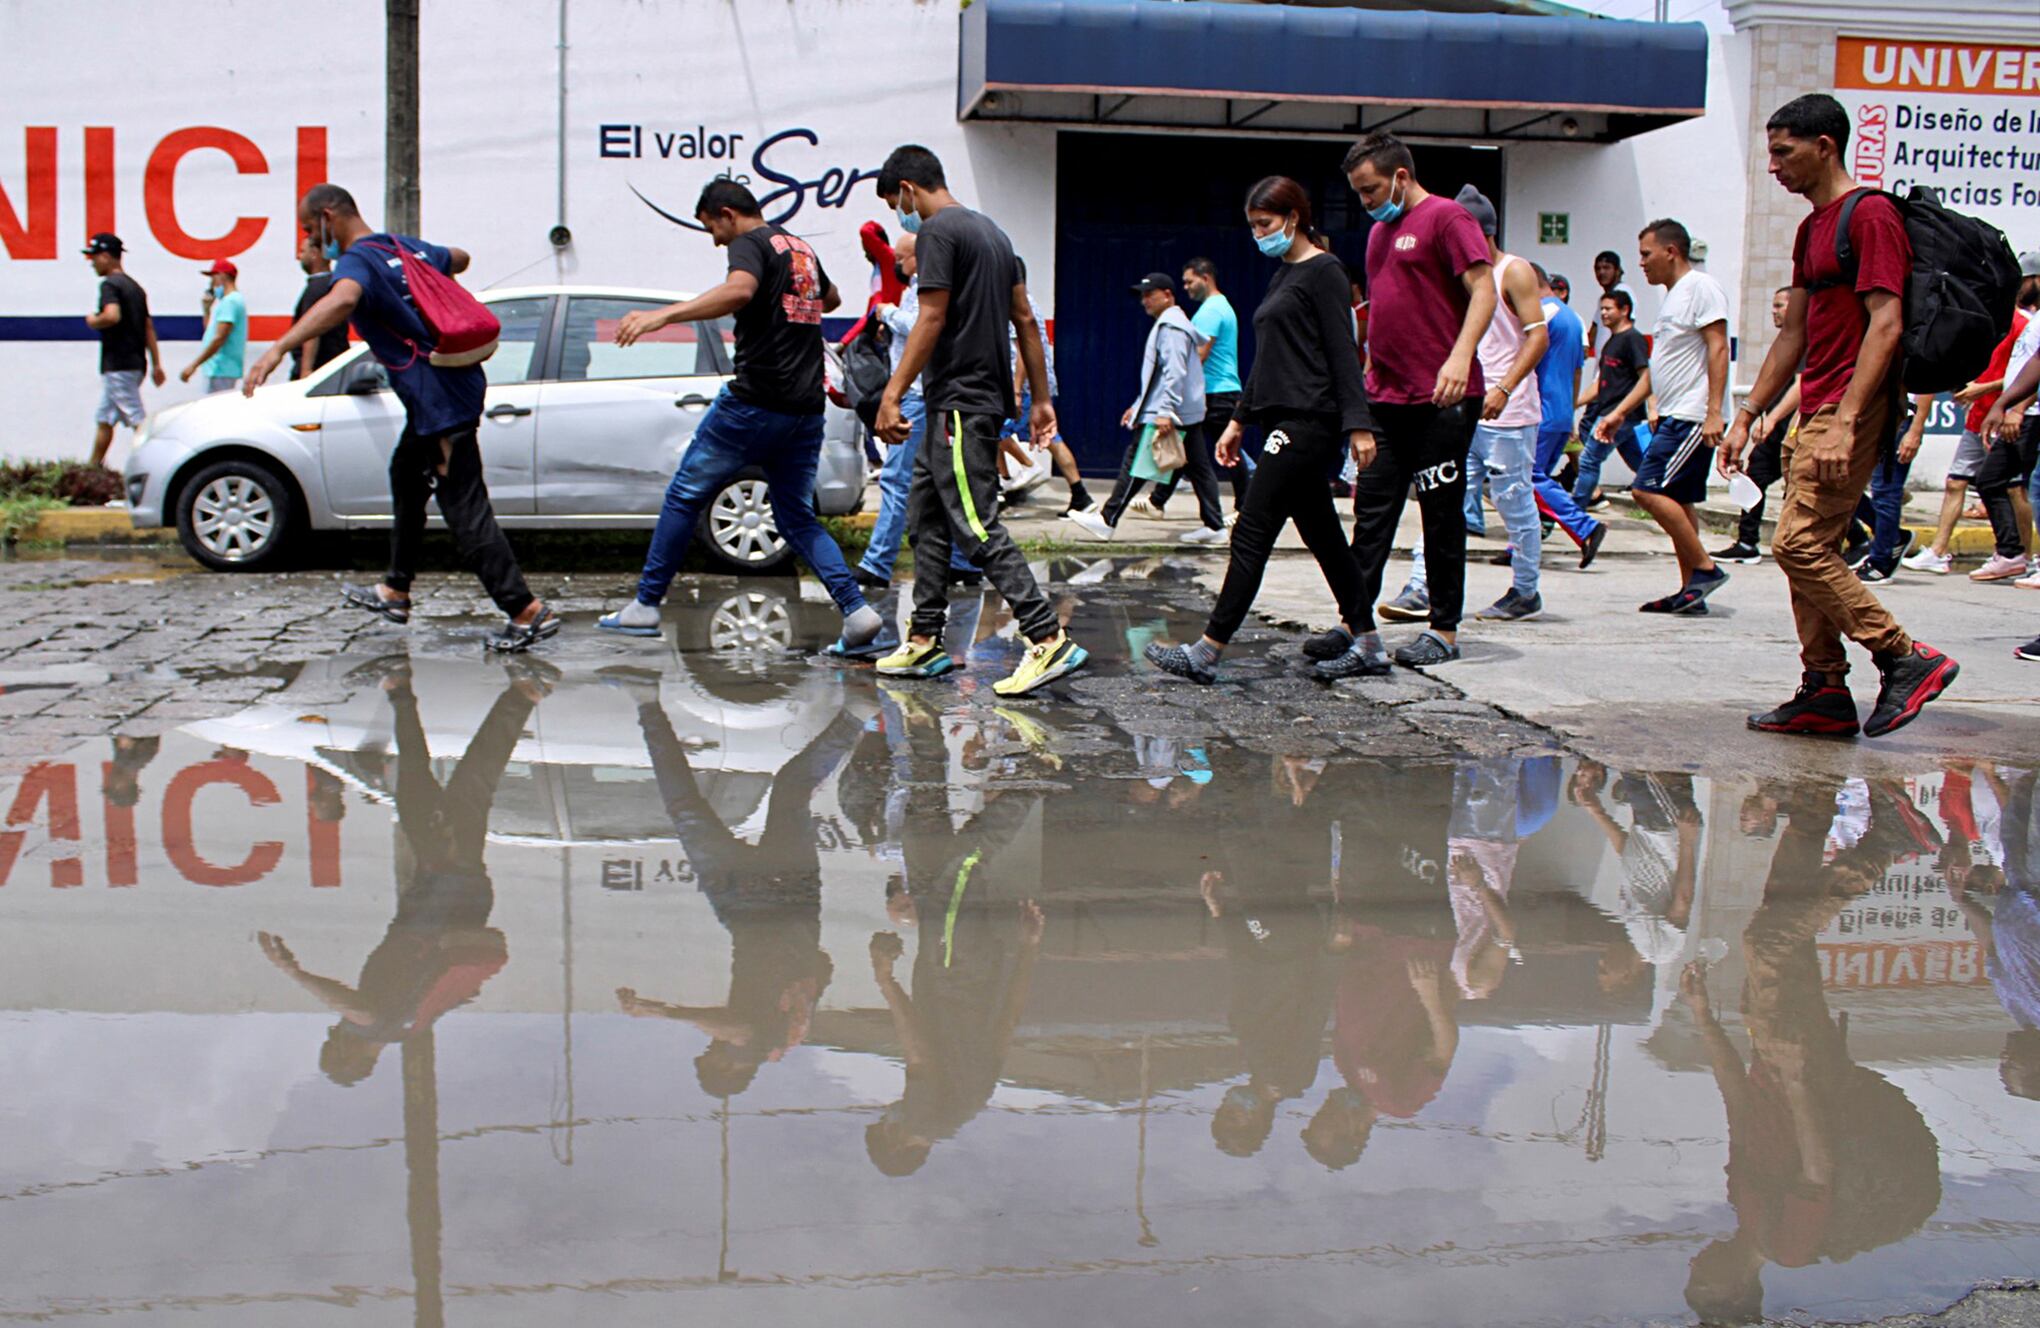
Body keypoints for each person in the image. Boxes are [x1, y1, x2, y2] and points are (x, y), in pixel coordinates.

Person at [1724, 94, 1961, 737]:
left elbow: (1886, 324)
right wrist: (1749, 414)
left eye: (1783, 151)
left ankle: (1906, 657)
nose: (1774, 166)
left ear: (1824, 145)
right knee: (1813, 548)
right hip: (1814, 405)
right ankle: (1825, 689)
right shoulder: (1810, 229)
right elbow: (1791, 335)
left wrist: (1850, 417)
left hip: (1848, 406)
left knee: (1797, 544)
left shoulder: (1871, 215)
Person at [247, 184, 559, 652]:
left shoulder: (357, 262)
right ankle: (396, 590)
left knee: (464, 507)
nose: (315, 240)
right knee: (405, 475)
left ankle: (524, 610)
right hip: (449, 391)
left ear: (330, 217)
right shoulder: (401, 247)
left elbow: (342, 300)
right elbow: (460, 256)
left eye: (313, 230)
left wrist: (277, 348)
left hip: (439, 403)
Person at [592, 180, 881, 650]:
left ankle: (645, 605)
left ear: (727, 213)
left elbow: (740, 291)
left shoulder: (749, 244)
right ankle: (857, 612)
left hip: (754, 402)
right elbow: (829, 299)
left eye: (712, 228)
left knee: (684, 495)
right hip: (805, 409)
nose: (716, 240)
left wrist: (661, 316)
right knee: (795, 518)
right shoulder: (799, 248)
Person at [256, 657, 549, 1085]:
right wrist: (295, 973)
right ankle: (422, 688)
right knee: (450, 785)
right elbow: (361, 1010)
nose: (336, 1029)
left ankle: (502, 694)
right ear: (347, 1050)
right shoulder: (380, 1026)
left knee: (445, 788)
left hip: (457, 898)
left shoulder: (412, 1026)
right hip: (443, 893)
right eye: (335, 1039)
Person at [1144, 176, 1385, 685]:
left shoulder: (1325, 272)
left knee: (1251, 529)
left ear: (1294, 218)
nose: (1258, 235)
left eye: (1265, 224)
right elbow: (1266, 362)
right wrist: (1237, 421)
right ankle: (1366, 641)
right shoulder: (1282, 276)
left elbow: (1345, 352)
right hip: (1280, 418)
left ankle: (1208, 650)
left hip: (1309, 421)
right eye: (1253, 226)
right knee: (1324, 536)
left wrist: (1358, 424)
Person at [868, 144, 1089, 696]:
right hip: (964, 402)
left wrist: (891, 393)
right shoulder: (995, 235)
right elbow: (1027, 322)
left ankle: (1046, 637)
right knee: (928, 517)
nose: (902, 214)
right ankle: (923, 641)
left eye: (897, 203)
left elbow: (932, 315)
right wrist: (1041, 399)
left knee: (975, 520)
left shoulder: (939, 233)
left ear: (907, 192)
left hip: (962, 403)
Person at [1341, 132, 1497, 668]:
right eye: (1359, 192)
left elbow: (1484, 290)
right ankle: (1353, 625)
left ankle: (1444, 631)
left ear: (1401, 176)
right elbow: (1383, 310)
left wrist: (1459, 357)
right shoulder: (1380, 233)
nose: (1366, 201)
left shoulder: (1449, 218)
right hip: (1385, 397)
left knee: (1440, 514)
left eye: (1371, 189)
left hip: (1442, 399)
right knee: (1372, 512)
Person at [1595, 218, 1731, 616]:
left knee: (1646, 489)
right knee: (1679, 501)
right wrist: (1620, 412)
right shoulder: (1672, 298)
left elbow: (1718, 348)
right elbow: (1658, 370)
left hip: (1691, 416)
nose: (1641, 263)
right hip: (1672, 413)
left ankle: (1705, 569)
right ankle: (1692, 590)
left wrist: (1713, 413)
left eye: (1646, 254)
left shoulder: (1701, 288)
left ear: (1671, 251)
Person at [851, 230, 975, 624]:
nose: (899, 267)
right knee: (941, 482)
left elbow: (925, 325)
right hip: (931, 394)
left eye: (903, 260)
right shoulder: (932, 285)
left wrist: (887, 313)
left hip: (919, 396)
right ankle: (962, 562)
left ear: (917, 257)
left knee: (896, 479)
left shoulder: (927, 288)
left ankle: (876, 563)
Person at [1066, 273, 1227, 546]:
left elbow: (1174, 373)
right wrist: (1138, 406)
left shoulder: (1172, 327)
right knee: (1199, 468)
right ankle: (1215, 526)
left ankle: (1107, 519)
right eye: (1142, 295)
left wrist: (1163, 410)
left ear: (1167, 294)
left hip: (1169, 412)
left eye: (1149, 294)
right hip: (1182, 411)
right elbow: (1158, 375)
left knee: (1137, 465)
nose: (1144, 301)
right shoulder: (1173, 323)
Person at [1449, 186, 1549, 623]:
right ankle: (1420, 585)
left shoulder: (1514, 271)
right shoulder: (1464, 276)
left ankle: (1526, 590)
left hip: (1509, 413)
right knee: (1446, 496)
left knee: (1514, 502)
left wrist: (1504, 387)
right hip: (1465, 406)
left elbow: (1537, 336)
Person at [1904, 256, 2038, 575]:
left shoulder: (2021, 322)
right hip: (1989, 414)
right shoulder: (2002, 318)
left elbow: (2027, 373)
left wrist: (2008, 404)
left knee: (2013, 486)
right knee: (1964, 482)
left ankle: (2023, 555)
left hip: (2015, 414)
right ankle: (1942, 550)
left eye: (2023, 279)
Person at [1151, 256, 1251, 517]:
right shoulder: (1221, 306)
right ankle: (1157, 500)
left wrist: (1170, 384)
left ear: (1205, 278)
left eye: (1189, 281)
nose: (1185, 287)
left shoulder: (1210, 311)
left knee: (1220, 452)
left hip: (1214, 392)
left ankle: (1244, 506)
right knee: (1189, 448)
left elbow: (1198, 354)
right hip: (1217, 390)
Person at [1712, 289, 1800, 564]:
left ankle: (1866, 537)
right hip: (1777, 428)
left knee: (1808, 488)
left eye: (1780, 306)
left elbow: (1802, 386)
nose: (1774, 311)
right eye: (1772, 306)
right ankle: (1747, 542)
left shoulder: (1804, 341)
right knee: (1756, 476)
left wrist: (1772, 419)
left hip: (1795, 429)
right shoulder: (1784, 342)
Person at [1530, 263, 1605, 568]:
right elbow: (1577, 370)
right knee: (1535, 480)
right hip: (1560, 411)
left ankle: (1585, 526)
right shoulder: (1573, 318)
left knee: (1528, 478)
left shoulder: (1542, 314)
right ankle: (1521, 546)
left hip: (1541, 410)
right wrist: (1571, 412)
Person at [1972, 276, 2040, 586]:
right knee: (1992, 479)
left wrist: (2018, 407)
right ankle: (2012, 553)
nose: (2021, 283)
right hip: (2022, 411)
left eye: (2026, 277)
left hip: (2030, 415)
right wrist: (2003, 404)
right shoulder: (2035, 320)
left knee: (2030, 487)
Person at [80, 232, 165, 469]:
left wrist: (93, 320)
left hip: (119, 363)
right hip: (135, 363)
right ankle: (92, 469)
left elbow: (111, 315)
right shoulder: (135, 288)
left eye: (94, 257)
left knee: (138, 420)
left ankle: (159, 463)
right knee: (105, 418)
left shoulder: (110, 285)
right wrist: (156, 364)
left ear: (106, 256)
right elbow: (148, 327)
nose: (92, 263)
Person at [1570, 289, 1650, 514]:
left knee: (1588, 460)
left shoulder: (1633, 340)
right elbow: (1599, 384)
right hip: (1609, 412)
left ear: (1624, 310)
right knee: (1641, 464)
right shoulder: (1611, 342)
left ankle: (1576, 511)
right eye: (1601, 309)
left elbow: (1647, 377)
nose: (1603, 314)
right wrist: (1575, 403)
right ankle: (1666, 496)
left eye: (1608, 309)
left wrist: (1651, 409)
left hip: (1621, 415)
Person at [180, 258, 247, 393]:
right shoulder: (227, 302)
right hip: (218, 369)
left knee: (216, 411)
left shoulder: (231, 302)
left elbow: (219, 338)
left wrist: (194, 365)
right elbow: (211, 334)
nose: (211, 284)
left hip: (220, 368)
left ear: (221, 276)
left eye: (213, 278)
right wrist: (206, 310)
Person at [291, 231, 351, 379]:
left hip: (320, 369)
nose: (299, 257)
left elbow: (311, 329)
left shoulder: (316, 288)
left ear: (315, 253)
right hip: (334, 366)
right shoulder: (334, 283)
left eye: (302, 251)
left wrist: (306, 371)